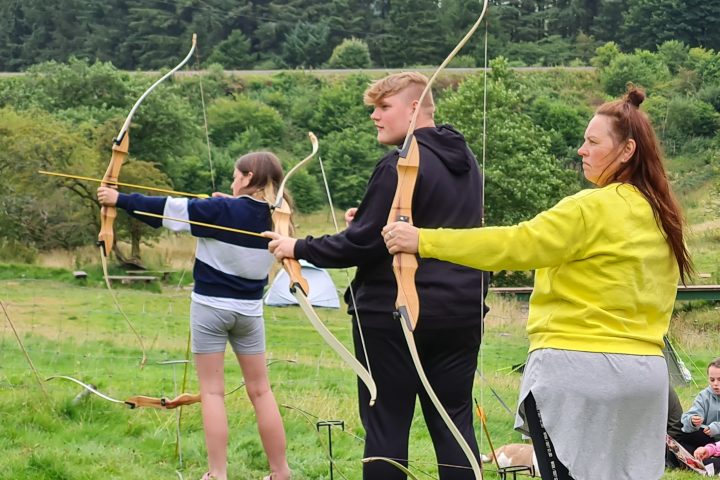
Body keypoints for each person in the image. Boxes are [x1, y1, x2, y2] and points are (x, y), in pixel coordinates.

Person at [383, 86, 693, 480]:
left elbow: (516, 243)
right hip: (646, 379)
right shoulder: (662, 215)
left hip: (579, 372)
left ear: (627, 150)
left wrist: (423, 240)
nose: (582, 149)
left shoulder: (590, 207)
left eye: (592, 142)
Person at [265, 72, 488, 479]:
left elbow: (363, 244)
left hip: (396, 313)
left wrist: (296, 247)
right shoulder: (466, 161)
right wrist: (365, 219)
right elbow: (426, 221)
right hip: (462, 310)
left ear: (415, 108)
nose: (374, 116)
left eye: (384, 107)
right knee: (454, 423)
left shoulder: (399, 165)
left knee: (386, 423)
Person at [97, 152, 291, 480]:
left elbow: (166, 211)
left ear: (247, 177)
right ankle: (281, 472)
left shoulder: (219, 210)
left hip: (211, 309)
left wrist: (117, 199)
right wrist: (226, 204)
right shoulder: (280, 217)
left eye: (235, 177)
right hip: (250, 313)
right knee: (260, 390)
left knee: (212, 391)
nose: (231, 182)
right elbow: (242, 217)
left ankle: (217, 474)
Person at [679, 358, 720, 454]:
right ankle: (696, 456)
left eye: (719, 379)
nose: (715, 384)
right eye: (712, 379)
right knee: (683, 429)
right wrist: (692, 421)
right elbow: (689, 417)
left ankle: (699, 457)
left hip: (716, 440)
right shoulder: (704, 395)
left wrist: (715, 428)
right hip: (708, 438)